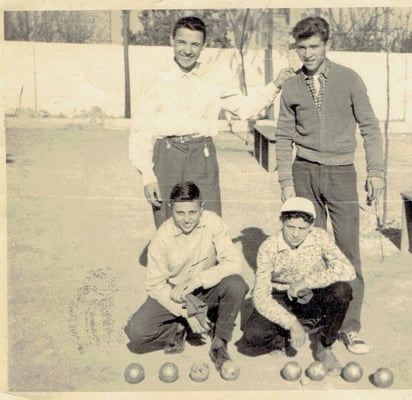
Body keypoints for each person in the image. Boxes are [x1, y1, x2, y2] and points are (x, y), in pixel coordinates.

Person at [275, 17, 384, 354]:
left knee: (347, 253)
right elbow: (283, 136)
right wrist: (286, 182)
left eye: (314, 46)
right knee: (311, 253)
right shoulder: (292, 86)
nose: (308, 53)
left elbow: (370, 127)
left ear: (326, 44)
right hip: (304, 173)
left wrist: (376, 172)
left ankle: (349, 326)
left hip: (342, 175)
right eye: (302, 47)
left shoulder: (349, 79)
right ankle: (319, 323)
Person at [129, 16, 294, 228]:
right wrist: (147, 176)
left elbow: (245, 108)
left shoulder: (213, 78)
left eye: (195, 44)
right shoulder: (156, 79)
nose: (187, 50)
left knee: (209, 224)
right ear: (172, 41)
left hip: (203, 156)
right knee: (169, 226)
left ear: (203, 46)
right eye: (182, 42)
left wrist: (276, 84)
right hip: (167, 157)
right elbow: (140, 131)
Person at [124, 181, 248, 371]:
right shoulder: (161, 238)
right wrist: (186, 312)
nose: (187, 219)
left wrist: (198, 280)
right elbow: (155, 286)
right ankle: (180, 327)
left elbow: (234, 263)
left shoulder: (213, 222)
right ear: (170, 208)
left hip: (206, 289)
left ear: (201, 208)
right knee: (136, 334)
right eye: (180, 213)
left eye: (192, 212)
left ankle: (219, 341)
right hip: (177, 294)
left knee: (236, 284)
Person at [235, 197, 356, 375]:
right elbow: (260, 297)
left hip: (313, 294)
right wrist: (290, 323)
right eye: (290, 227)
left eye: (302, 228)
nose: (296, 234)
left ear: (311, 226)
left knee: (342, 290)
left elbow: (348, 270)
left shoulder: (320, 237)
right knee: (252, 337)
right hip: (282, 296)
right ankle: (285, 336)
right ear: (281, 221)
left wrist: (306, 282)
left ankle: (325, 346)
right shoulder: (269, 247)